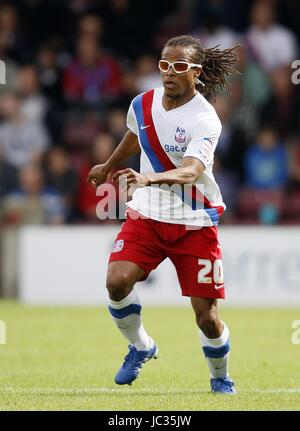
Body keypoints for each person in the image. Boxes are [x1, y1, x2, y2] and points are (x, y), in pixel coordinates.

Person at [88, 35, 239, 394]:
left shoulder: (205, 119)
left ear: (196, 73)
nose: (169, 73)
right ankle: (141, 346)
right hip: (147, 215)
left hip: (195, 221)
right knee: (116, 281)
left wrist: (146, 177)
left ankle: (220, 375)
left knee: (207, 319)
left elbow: (189, 171)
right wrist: (109, 165)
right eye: (164, 65)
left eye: (180, 67)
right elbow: (135, 133)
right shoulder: (142, 103)